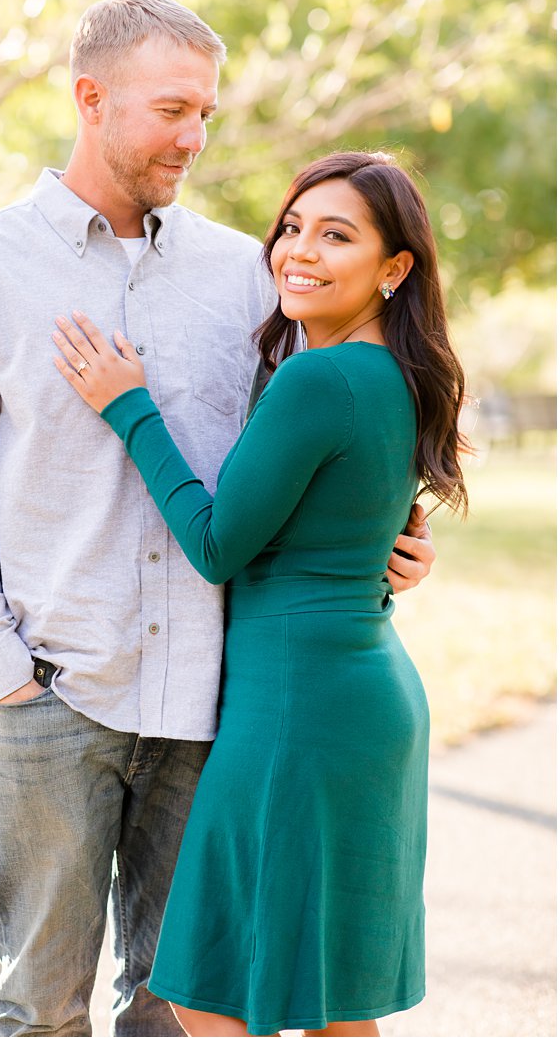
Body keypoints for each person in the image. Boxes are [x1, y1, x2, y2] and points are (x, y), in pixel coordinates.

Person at [0, 0, 435, 1037]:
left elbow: (319, 454)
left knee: (178, 1002)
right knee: (39, 1007)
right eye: (170, 109)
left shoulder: (249, 272)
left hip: (210, 700)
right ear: (89, 97)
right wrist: (3, 672)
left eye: (206, 114)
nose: (192, 137)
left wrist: (392, 544)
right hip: (56, 692)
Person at [50, 150, 467, 1036]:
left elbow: (215, 544)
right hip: (360, 693)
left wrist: (129, 406)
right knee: (327, 994)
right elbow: (356, 534)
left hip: (298, 711)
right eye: (292, 227)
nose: (298, 250)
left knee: (203, 986)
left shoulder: (319, 377)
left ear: (395, 269)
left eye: (337, 234)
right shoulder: (392, 373)